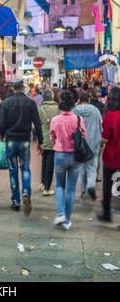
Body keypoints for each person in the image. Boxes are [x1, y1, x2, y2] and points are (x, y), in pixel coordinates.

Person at [0, 80, 43, 215]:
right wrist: (40, 141)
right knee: (25, 168)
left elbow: (2, 123)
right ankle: (25, 193)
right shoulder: (30, 103)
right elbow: (37, 123)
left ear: (13, 88)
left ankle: (16, 201)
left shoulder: (6, 103)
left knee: (13, 170)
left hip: (11, 140)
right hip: (24, 140)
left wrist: (2, 136)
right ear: (23, 88)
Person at [50, 90, 86, 230]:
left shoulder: (55, 120)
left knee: (59, 185)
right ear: (72, 104)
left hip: (59, 155)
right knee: (71, 189)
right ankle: (67, 221)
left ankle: (60, 213)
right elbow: (84, 136)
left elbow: (52, 137)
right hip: (75, 157)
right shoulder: (78, 119)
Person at [73, 91, 102, 200]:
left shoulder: (75, 110)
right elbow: (101, 126)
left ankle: (84, 191)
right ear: (89, 99)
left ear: (79, 99)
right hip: (94, 143)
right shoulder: (95, 111)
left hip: (80, 144)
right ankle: (91, 185)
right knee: (92, 167)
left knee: (82, 168)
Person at [97, 87, 120, 222]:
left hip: (112, 157)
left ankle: (107, 213)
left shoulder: (110, 116)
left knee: (107, 186)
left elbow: (104, 139)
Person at [38, 89, 59, 196]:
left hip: (43, 140)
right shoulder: (58, 108)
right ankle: (47, 188)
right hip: (53, 140)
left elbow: (34, 125)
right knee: (50, 164)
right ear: (52, 97)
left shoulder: (40, 109)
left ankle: (42, 183)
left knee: (44, 161)